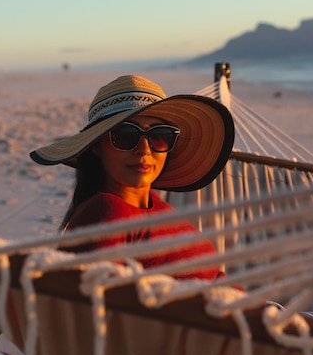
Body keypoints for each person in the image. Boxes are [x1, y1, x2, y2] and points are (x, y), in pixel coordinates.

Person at [29, 75, 235, 280]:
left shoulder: (151, 205)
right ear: (96, 146)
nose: (144, 150)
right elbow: (97, 306)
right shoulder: (106, 215)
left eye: (159, 135)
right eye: (126, 135)